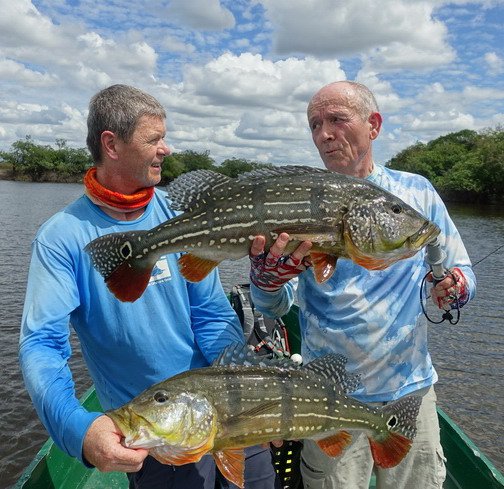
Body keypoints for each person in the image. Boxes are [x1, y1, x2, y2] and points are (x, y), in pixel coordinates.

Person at [19, 84, 279, 489]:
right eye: (154, 138)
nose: (167, 148)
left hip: (227, 407)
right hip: (156, 433)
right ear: (112, 144)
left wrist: (249, 384)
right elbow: (42, 345)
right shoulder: (61, 238)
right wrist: (79, 430)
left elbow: (210, 315)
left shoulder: (178, 215)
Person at [248, 81, 476, 489]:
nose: (324, 134)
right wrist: (265, 283)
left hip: (410, 390)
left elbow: (460, 270)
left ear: (373, 125)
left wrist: (455, 286)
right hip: (327, 397)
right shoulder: (300, 200)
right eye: (315, 124)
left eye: (337, 119)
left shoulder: (417, 193)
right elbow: (275, 306)